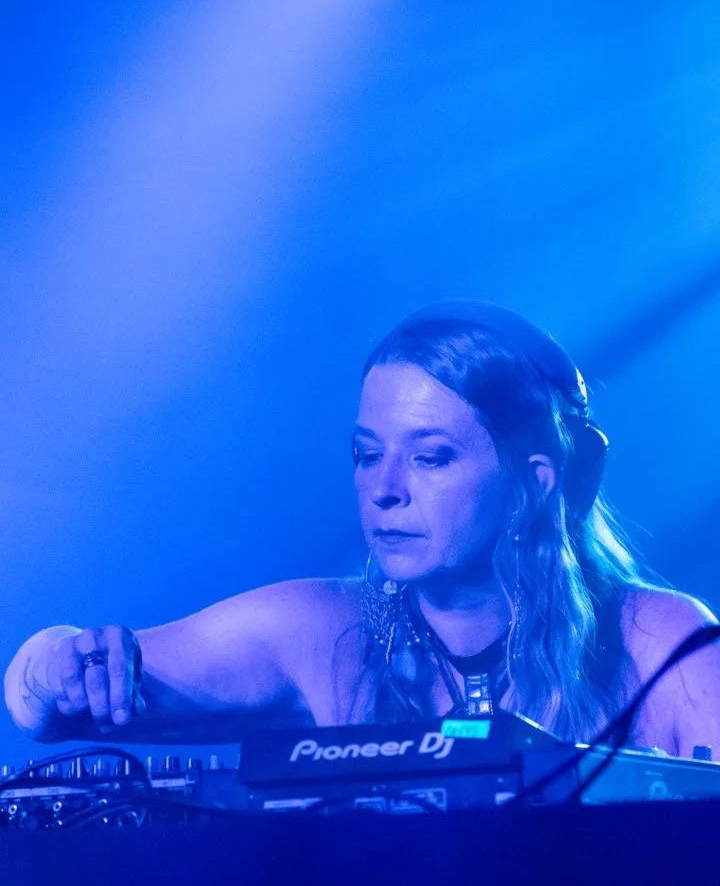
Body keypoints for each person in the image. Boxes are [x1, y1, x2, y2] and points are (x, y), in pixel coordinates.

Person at [5, 302, 720, 757]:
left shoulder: (663, 644)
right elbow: (33, 702)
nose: (384, 490)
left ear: (534, 483)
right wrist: (57, 663)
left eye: (431, 456)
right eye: (366, 454)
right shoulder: (318, 632)